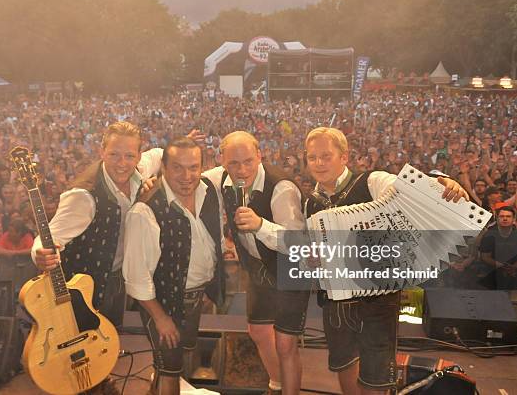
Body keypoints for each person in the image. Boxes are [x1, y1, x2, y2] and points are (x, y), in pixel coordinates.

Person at [302, 127, 469, 395]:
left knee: (376, 382)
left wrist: (440, 180)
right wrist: (313, 260)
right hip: (335, 302)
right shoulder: (311, 203)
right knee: (344, 370)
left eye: (326, 156)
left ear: (344, 157)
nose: (319, 163)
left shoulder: (371, 181)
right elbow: (314, 256)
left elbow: (404, 187)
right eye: (312, 158)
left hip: (378, 301)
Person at [31, 121, 165, 394]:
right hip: (82, 285)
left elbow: (161, 153)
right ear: (102, 151)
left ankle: (103, 382)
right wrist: (41, 254)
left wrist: (180, 148)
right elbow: (49, 237)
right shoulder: (83, 196)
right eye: (115, 154)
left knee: (107, 339)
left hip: (116, 277)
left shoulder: (140, 170)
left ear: (139, 156)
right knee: (83, 347)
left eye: (129, 155)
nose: (122, 163)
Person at [204, 131, 308, 395]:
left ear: (260, 155)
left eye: (248, 161)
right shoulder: (220, 178)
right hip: (258, 267)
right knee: (259, 331)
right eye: (233, 164)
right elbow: (190, 178)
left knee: (286, 344)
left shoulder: (282, 188)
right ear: (222, 161)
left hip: (289, 268)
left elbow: (298, 243)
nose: (241, 170)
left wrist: (261, 225)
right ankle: (277, 385)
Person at [123, 137, 224, 395]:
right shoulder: (145, 210)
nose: (187, 175)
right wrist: (160, 318)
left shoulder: (207, 189)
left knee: (169, 365)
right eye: (178, 167)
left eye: (193, 167)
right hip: (164, 302)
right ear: (164, 168)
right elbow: (136, 279)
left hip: (195, 295)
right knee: (170, 371)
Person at [479, 206, 517, 290]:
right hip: (492, 270)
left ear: (513, 219)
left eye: (508, 216)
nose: (505, 219)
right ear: (497, 219)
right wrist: (502, 266)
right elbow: (485, 257)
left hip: (516, 271)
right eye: (502, 216)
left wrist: (513, 267)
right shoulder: (489, 235)